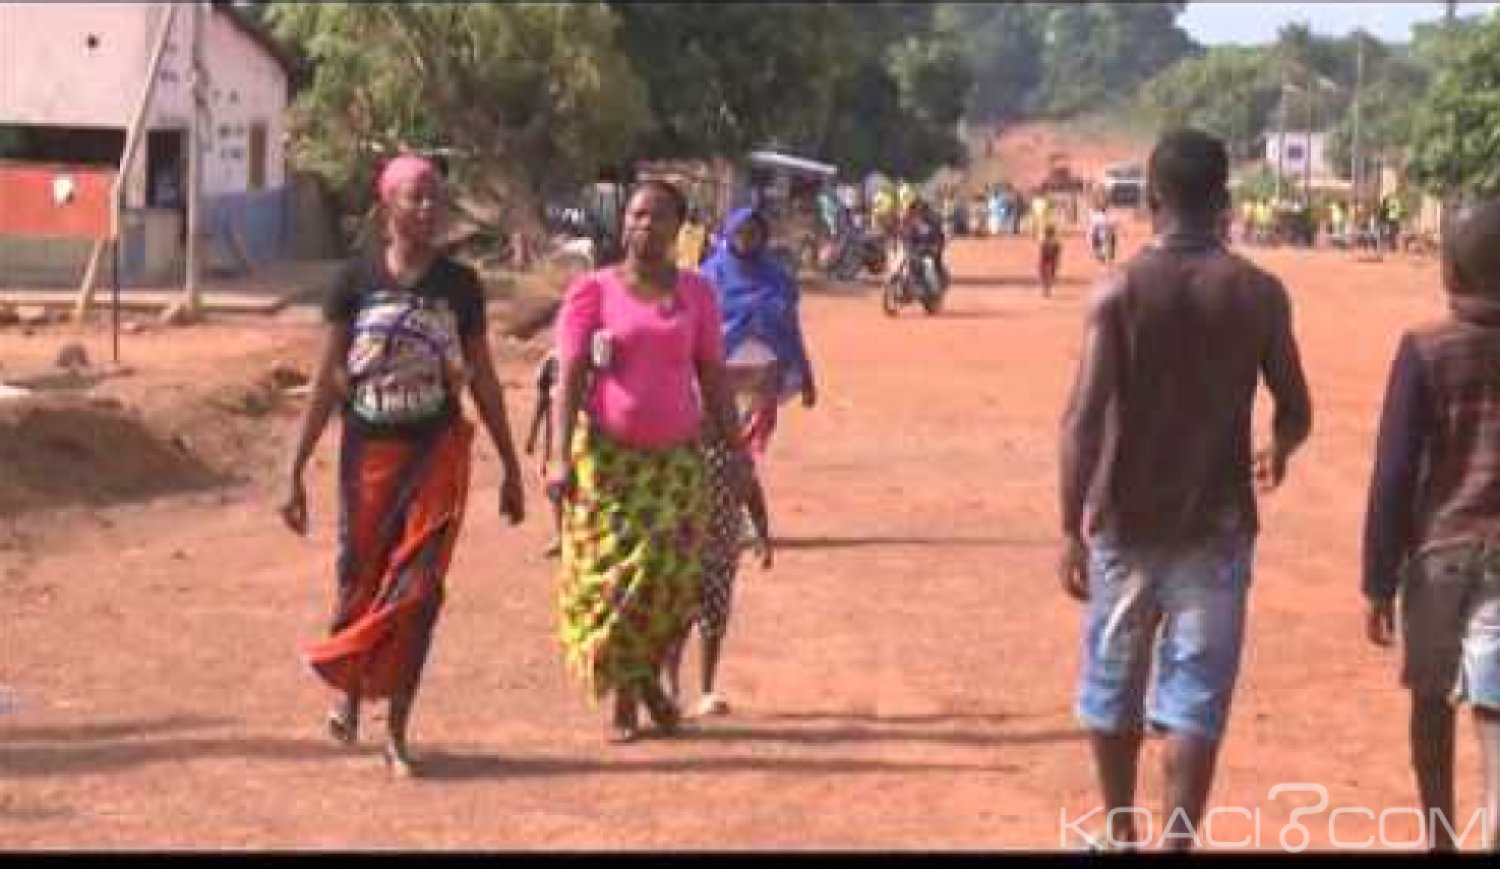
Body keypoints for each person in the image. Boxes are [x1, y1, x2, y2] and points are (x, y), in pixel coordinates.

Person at [1058, 128, 1313, 851]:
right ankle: (1177, 841)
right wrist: (1279, 447)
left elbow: (1080, 419)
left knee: (1114, 682)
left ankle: (1116, 832)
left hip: (1123, 519)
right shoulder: (1260, 293)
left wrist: (1065, 528)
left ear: (1153, 197)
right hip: (1218, 522)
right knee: (1196, 696)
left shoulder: (1117, 291)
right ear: (1227, 200)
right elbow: (1296, 407)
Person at [280, 155, 527, 778]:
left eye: (434, 199)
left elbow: (485, 379)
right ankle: (351, 694)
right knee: (360, 580)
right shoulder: (353, 279)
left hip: (437, 454)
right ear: (385, 206)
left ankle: (398, 730)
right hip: (368, 455)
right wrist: (295, 469)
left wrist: (510, 465)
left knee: (417, 592)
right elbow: (327, 380)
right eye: (414, 198)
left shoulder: (460, 286)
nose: (427, 209)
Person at [550, 180, 748, 744]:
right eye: (637, 215)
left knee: (671, 582)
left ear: (679, 228)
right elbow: (569, 378)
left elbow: (712, 375)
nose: (646, 226)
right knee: (612, 584)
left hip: (677, 465)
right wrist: (559, 458)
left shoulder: (699, 293)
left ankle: (644, 689)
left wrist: (737, 454)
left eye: (660, 217)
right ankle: (633, 697)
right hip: (610, 465)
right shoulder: (592, 292)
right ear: (623, 222)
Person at [1363, 199, 1500, 852]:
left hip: (1438, 552)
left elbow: (1392, 474)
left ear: (1448, 270)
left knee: (1429, 698)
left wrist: (1376, 581)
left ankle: (1439, 833)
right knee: (1496, 703)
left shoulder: (1424, 349)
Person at [662, 432, 774, 717]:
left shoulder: (736, 457)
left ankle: (706, 690)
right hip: (685, 552)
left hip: (722, 555)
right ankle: (671, 688)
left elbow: (753, 494)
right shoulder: (680, 452)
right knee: (678, 622)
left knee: (714, 621)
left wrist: (762, 538)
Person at [700, 208, 819, 464]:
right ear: (729, 234)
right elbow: (692, 329)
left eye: (753, 233)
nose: (746, 239)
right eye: (740, 232)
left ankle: (740, 487)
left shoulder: (778, 279)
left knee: (748, 450)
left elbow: (791, 330)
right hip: (719, 375)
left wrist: (806, 377)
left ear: (764, 237)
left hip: (765, 379)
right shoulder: (708, 277)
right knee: (712, 440)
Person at [891, 196, 950, 295]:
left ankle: (934, 290)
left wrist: (936, 246)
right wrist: (899, 237)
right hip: (912, 248)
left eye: (920, 208)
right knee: (899, 260)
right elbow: (901, 231)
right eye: (915, 208)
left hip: (928, 249)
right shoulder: (908, 219)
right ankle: (900, 283)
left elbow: (940, 235)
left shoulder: (933, 220)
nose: (918, 211)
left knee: (928, 264)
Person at [677, 206, 710, 271]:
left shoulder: (702, 230)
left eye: (696, 213)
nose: (694, 215)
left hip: (694, 268)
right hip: (680, 266)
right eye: (692, 212)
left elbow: (705, 248)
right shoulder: (680, 227)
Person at [1039, 224, 1063, 297]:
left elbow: (1042, 251)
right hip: (1050, 258)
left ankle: (1046, 288)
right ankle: (1047, 288)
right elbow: (1058, 251)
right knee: (1050, 273)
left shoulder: (1044, 240)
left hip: (1047, 258)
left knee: (1045, 273)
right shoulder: (1055, 241)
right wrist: (1058, 260)